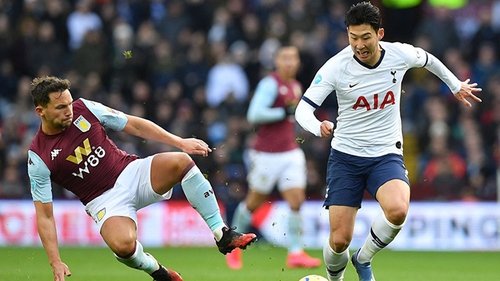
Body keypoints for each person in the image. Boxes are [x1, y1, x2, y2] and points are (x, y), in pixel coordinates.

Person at [294, 2, 482, 281]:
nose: (359, 45)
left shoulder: (399, 54)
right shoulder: (335, 67)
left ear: (379, 33)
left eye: (365, 37)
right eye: (353, 37)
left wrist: (455, 85)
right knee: (339, 241)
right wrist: (316, 125)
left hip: (385, 153)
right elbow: (302, 109)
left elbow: (428, 59)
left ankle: (363, 258)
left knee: (397, 210)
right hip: (346, 156)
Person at [27, 76, 257, 281]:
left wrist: (180, 142)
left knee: (181, 161)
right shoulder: (38, 157)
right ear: (41, 111)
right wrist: (55, 261)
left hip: (131, 171)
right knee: (123, 246)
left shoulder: (84, 108)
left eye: (69, 103)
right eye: (60, 107)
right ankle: (158, 272)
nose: (69, 111)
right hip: (103, 201)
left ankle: (222, 234)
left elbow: (134, 124)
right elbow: (45, 215)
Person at [226, 45, 321, 270]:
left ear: (298, 62)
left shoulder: (296, 86)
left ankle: (296, 253)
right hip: (266, 154)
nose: (289, 62)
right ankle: (232, 244)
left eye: (293, 58)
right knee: (254, 201)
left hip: (290, 152)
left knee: (296, 199)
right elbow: (254, 114)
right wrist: (283, 113)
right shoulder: (270, 84)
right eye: (284, 58)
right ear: (277, 62)